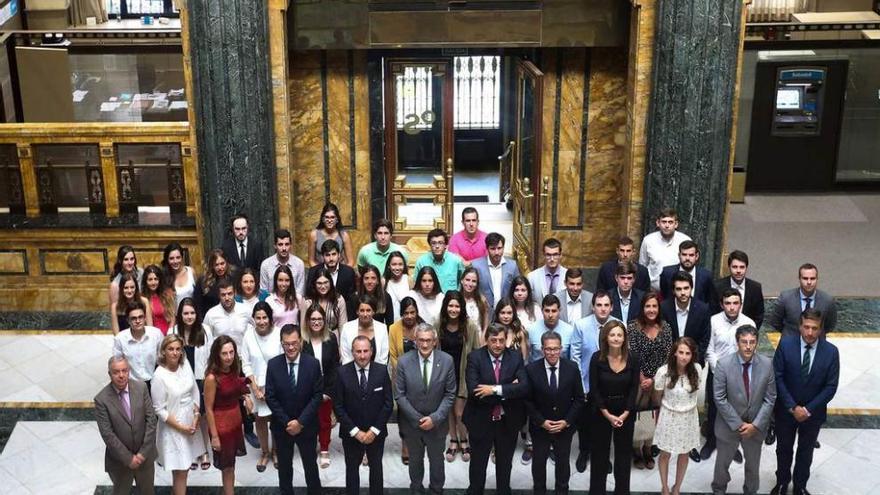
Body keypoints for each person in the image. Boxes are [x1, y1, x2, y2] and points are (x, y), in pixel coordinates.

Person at [771, 309, 839, 495]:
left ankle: (800, 485)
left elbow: (831, 386)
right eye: (806, 327)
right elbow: (777, 377)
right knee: (783, 449)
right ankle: (782, 482)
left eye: (814, 328)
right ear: (800, 326)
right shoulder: (785, 345)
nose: (809, 333)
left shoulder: (831, 352)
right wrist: (793, 407)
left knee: (805, 451)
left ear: (820, 329)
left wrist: (807, 409)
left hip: (813, 413)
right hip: (786, 410)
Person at [462, 324, 529, 495]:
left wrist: (493, 389)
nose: (498, 345)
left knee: (505, 464)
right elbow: (474, 391)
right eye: (493, 341)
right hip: (480, 420)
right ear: (486, 340)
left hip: (508, 421)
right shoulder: (475, 357)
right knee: (478, 465)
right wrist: (509, 389)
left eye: (501, 340)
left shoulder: (515, 357)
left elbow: (524, 387)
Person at [711, 325, 777, 495]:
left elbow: (770, 398)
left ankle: (750, 491)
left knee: (753, 468)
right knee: (722, 466)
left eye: (752, 342)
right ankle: (719, 490)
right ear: (737, 343)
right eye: (744, 342)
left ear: (757, 344)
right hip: (728, 426)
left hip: (755, 427)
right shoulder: (723, 364)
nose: (748, 346)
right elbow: (719, 398)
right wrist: (739, 424)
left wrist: (755, 425)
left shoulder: (767, 364)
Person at [395, 323, 458, 493]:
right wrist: (418, 419)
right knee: (415, 461)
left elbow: (450, 394)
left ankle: (437, 489)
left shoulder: (446, 361)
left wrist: (435, 418)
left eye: (428, 340)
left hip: (437, 425)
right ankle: (416, 489)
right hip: (412, 425)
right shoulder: (403, 362)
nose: (424, 344)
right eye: (421, 340)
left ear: (435, 341)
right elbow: (399, 395)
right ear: (415, 340)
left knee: (437, 462)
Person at [265, 324, 324, 495]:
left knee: (311, 467)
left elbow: (317, 395)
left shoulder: (313, 364)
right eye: (286, 344)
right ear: (281, 344)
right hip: (282, 427)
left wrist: (300, 422)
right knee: (284, 468)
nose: (290, 347)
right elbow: (271, 396)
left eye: (294, 343)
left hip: (307, 426)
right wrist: (288, 422)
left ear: (301, 342)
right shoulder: (273, 364)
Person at [524, 331, 584, 495]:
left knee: (563, 462)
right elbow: (527, 400)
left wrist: (567, 422)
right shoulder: (531, 370)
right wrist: (541, 422)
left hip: (564, 427)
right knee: (539, 462)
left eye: (555, 349)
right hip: (540, 427)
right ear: (542, 349)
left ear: (561, 349)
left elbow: (579, 399)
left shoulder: (572, 368)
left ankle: (562, 491)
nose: (552, 353)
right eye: (548, 349)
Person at [701, 288, 757, 461]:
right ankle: (711, 442)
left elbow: (750, 351)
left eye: (735, 303)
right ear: (721, 304)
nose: (732, 307)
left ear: (740, 304)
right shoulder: (713, 321)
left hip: (739, 376)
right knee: (713, 409)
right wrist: (721, 371)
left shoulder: (749, 323)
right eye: (728, 303)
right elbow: (709, 350)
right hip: (716, 372)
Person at [334, 336, 394, 495]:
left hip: (376, 433)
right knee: (352, 471)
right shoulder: (341, 373)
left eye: (365, 351)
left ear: (372, 351)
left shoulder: (381, 371)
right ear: (352, 352)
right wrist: (356, 432)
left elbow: (388, 404)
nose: (362, 355)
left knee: (376, 469)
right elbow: (338, 406)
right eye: (358, 351)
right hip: (351, 433)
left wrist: (374, 431)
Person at [569, 290, 621, 472]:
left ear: (612, 307)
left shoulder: (618, 325)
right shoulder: (581, 325)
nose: (603, 309)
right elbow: (574, 356)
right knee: (585, 423)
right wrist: (579, 386)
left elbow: (622, 356)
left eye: (606, 305)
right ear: (593, 306)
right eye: (599, 305)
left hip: (610, 385)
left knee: (605, 425)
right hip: (586, 385)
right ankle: (584, 452)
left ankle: (603, 456)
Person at [589, 320, 640, 495]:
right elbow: (594, 390)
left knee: (623, 457)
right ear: (606, 337)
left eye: (619, 335)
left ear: (624, 338)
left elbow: (634, 388)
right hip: (601, 412)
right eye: (612, 334)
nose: (616, 338)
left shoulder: (633, 358)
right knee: (599, 456)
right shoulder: (597, 358)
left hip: (626, 412)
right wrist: (607, 414)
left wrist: (625, 413)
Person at [152, 334, 206, 494]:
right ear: (164, 351)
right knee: (180, 469)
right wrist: (181, 427)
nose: (175, 353)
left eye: (178, 349)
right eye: (171, 349)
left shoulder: (185, 364)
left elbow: (194, 390)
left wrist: (196, 415)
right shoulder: (159, 376)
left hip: (190, 422)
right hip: (174, 427)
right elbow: (159, 409)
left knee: (186, 467)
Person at [95, 356, 157, 495]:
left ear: (129, 371)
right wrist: (128, 458)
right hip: (120, 461)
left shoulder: (141, 388)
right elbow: (107, 434)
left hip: (145, 457)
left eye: (124, 371)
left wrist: (142, 454)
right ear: (110, 374)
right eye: (116, 372)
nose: (121, 375)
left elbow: (151, 420)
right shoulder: (101, 399)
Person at [627, 291, 674, 469]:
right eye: (648, 306)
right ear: (642, 308)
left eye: (654, 306)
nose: (651, 309)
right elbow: (630, 355)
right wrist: (642, 379)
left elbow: (669, 356)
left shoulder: (666, 327)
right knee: (638, 413)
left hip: (660, 380)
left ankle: (648, 448)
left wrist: (654, 379)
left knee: (654, 415)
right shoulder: (632, 327)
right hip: (637, 379)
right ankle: (636, 450)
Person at [435, 290, 481, 463]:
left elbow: (476, 351)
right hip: (444, 374)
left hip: (463, 372)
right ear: (446, 307)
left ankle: (464, 439)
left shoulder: (470, 326)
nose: (453, 309)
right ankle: (453, 441)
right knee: (449, 410)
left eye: (457, 306)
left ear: (461, 308)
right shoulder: (437, 323)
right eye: (451, 305)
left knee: (460, 411)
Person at [204, 335, 253, 495]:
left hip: (235, 424)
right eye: (224, 353)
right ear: (217, 354)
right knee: (227, 468)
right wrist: (215, 436)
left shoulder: (233, 370)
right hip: (221, 426)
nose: (229, 357)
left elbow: (235, 387)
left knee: (231, 465)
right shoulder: (212, 378)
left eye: (231, 352)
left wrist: (246, 396)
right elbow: (209, 408)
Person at [653, 337, 702, 495]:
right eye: (681, 352)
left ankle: (677, 488)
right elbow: (656, 397)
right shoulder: (663, 372)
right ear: (675, 352)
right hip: (669, 416)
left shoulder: (697, 369)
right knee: (665, 453)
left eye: (688, 353)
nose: (684, 356)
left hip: (689, 418)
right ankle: (665, 487)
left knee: (684, 453)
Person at [169, 297, 213, 470]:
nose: (189, 316)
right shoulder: (173, 331)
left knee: (201, 417)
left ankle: (204, 452)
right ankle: (193, 452)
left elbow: (211, 356)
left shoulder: (206, 330)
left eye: (192, 313)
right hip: (181, 380)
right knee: (187, 415)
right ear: (180, 315)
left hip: (201, 379)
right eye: (185, 313)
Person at [240, 302, 283, 472]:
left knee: (277, 420)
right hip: (255, 385)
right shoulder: (248, 336)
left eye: (264, 317)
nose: (261, 321)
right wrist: (256, 389)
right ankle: (264, 452)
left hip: (276, 385)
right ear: (254, 319)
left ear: (270, 318)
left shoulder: (279, 334)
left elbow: (282, 362)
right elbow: (246, 363)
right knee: (260, 420)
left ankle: (276, 451)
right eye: (258, 318)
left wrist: (270, 389)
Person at [301, 304, 341, 469]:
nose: (316, 322)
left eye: (319, 319)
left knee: (324, 420)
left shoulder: (331, 338)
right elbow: (301, 368)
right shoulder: (302, 340)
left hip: (326, 387)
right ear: (308, 321)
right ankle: (310, 446)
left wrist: (327, 392)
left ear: (324, 321)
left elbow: (334, 367)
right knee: (309, 420)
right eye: (313, 319)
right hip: (307, 387)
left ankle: (324, 448)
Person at [388, 296, 422, 465]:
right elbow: (393, 355)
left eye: (412, 312)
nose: (409, 316)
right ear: (401, 314)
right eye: (406, 313)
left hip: (422, 377)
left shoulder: (423, 327)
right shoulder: (394, 328)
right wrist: (404, 373)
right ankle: (405, 445)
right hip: (401, 378)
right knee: (404, 413)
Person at [767, 263, 838, 336]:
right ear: (799, 279)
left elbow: (830, 326)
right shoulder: (785, 298)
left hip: (817, 344)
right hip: (790, 344)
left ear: (817, 279)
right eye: (805, 278)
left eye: (812, 278)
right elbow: (775, 322)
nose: (809, 282)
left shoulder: (827, 300)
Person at [660, 271, 712, 364]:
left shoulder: (703, 309)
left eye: (686, 288)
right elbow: (661, 337)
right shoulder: (664, 308)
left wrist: (692, 360)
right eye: (679, 289)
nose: (683, 292)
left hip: (694, 362)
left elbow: (704, 339)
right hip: (669, 362)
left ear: (691, 288)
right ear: (673, 291)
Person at [639, 208, 692, 291]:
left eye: (670, 222)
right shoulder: (648, 240)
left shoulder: (685, 240)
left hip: (678, 292)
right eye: (664, 222)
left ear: (676, 224)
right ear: (658, 223)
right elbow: (642, 267)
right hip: (653, 292)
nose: (667, 225)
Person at [112, 301, 164, 386]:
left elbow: (163, 360)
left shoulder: (156, 334)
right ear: (128, 321)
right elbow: (117, 365)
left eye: (140, 317)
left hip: (155, 381)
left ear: (145, 318)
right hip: (131, 384)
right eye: (133, 318)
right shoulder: (120, 339)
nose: (138, 321)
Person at [714, 250, 765, 330]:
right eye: (735, 267)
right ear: (729, 267)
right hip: (721, 332)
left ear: (746, 268)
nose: (738, 271)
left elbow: (759, 315)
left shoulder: (755, 288)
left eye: (742, 267)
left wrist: (749, 333)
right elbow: (713, 312)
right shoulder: (717, 286)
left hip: (746, 335)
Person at [471, 232, 521, 311]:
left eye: (499, 248)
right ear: (487, 249)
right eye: (493, 249)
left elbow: (518, 288)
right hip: (483, 311)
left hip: (506, 313)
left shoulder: (512, 266)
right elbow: (471, 289)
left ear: (503, 248)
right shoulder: (476, 265)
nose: (497, 252)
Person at [659, 240, 717, 305]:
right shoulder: (667, 273)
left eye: (691, 255)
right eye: (684, 255)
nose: (687, 258)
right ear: (679, 255)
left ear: (697, 256)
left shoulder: (706, 275)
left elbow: (710, 300)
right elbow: (664, 295)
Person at [340, 294, 390, 365]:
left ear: (373, 312)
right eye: (362, 310)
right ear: (357, 311)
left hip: (377, 373)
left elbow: (383, 358)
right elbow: (346, 357)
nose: (365, 314)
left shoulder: (382, 328)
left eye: (368, 310)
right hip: (352, 373)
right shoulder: (347, 328)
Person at [415, 228, 466, 293]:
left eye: (440, 243)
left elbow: (462, 282)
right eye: (433, 243)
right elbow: (416, 285)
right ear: (429, 245)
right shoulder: (421, 261)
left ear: (445, 245)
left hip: (451, 300)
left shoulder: (456, 261)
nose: (437, 246)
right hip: (428, 299)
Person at [527, 294, 575, 363]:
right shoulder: (531, 330)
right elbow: (527, 357)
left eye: (554, 311)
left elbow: (572, 358)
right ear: (542, 311)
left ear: (559, 311)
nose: (550, 315)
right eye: (547, 311)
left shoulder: (570, 331)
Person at [203, 280, 251, 347]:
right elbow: (205, 340)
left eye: (230, 293)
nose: (227, 298)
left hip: (242, 356)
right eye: (223, 295)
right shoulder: (211, 315)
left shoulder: (246, 310)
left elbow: (255, 333)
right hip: (219, 356)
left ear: (235, 293)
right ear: (219, 296)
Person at [260, 229, 306, 296]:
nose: (284, 248)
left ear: (291, 245)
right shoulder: (266, 265)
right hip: (271, 304)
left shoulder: (299, 264)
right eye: (280, 244)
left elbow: (300, 292)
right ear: (275, 246)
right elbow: (264, 292)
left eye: (287, 244)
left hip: (294, 303)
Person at [302, 267, 348, 335]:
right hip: (313, 338)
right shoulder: (307, 301)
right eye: (319, 283)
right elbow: (304, 328)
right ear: (314, 284)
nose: (323, 286)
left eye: (326, 282)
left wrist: (341, 344)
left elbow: (343, 326)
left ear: (330, 283)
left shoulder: (338, 299)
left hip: (334, 338)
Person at [308, 202, 356, 267]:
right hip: (320, 271)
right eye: (327, 217)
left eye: (332, 217)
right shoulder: (314, 235)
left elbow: (351, 262)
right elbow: (311, 261)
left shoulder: (344, 235)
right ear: (323, 219)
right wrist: (319, 273)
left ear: (337, 219)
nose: (329, 220)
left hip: (340, 271)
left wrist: (344, 274)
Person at [194, 249, 235, 318]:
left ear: (226, 263)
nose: (220, 268)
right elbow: (198, 305)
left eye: (222, 263)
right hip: (211, 319)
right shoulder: (203, 281)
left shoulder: (234, 276)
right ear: (212, 266)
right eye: (216, 265)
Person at [527, 238, 568, 303]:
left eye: (555, 254)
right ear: (544, 255)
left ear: (560, 255)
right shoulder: (532, 276)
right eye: (548, 255)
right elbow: (529, 302)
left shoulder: (567, 275)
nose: (552, 259)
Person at [109, 245, 145, 314]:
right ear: (120, 261)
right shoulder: (115, 284)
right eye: (126, 259)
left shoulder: (141, 273)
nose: (130, 263)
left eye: (132, 259)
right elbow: (115, 312)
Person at [142, 264, 175, 335]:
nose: (153, 282)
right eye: (150, 279)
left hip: (167, 335)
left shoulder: (167, 294)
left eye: (156, 279)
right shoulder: (142, 298)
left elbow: (172, 318)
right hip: (149, 335)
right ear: (145, 281)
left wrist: (170, 333)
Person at [162, 242, 197, 308]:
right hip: (174, 316)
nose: (175, 261)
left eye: (178, 257)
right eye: (171, 258)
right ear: (167, 260)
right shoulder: (164, 277)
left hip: (191, 315)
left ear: (182, 257)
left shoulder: (191, 272)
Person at [384, 250, 411, 321]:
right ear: (389, 266)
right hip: (389, 323)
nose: (397, 268)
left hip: (407, 322)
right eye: (394, 264)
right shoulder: (384, 281)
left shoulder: (409, 280)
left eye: (400, 264)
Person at [460, 267, 490, 332]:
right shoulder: (456, 299)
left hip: (478, 338)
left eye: (474, 281)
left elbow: (486, 324)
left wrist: (483, 338)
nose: (470, 284)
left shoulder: (481, 300)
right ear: (462, 280)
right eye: (467, 280)